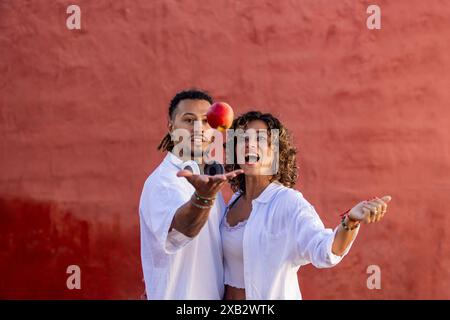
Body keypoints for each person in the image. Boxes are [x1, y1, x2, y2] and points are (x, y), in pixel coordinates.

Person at [221, 111, 392, 300]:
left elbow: (324, 249)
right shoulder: (233, 201)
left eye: (261, 139)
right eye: (243, 138)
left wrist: (350, 222)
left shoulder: (287, 202)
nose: (250, 145)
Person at [139, 89, 242, 299]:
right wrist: (203, 199)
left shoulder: (209, 178)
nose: (198, 128)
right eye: (188, 120)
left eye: (205, 121)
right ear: (171, 126)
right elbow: (177, 234)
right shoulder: (163, 182)